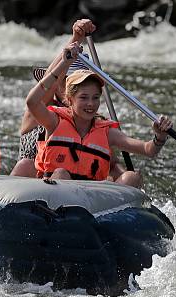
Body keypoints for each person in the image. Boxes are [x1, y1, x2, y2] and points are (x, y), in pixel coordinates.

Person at [25, 41, 172, 185]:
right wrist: (63, 63)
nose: (91, 103)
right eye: (83, 97)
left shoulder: (107, 132)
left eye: (95, 98)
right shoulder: (54, 121)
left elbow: (148, 150)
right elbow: (32, 102)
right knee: (61, 173)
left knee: (131, 178)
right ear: (69, 100)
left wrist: (160, 137)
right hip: (57, 193)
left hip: (92, 198)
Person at [10, 19, 131, 183]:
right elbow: (49, 79)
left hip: (79, 189)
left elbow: (111, 164)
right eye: (69, 82)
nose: (79, 89)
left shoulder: (93, 120)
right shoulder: (41, 107)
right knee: (25, 165)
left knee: (121, 174)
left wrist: (126, 180)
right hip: (36, 186)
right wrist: (76, 38)